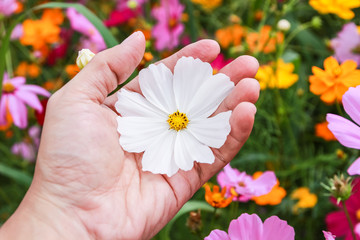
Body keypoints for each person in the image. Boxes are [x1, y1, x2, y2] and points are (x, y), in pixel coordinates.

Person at [0, 32, 260, 239]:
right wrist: (67, 212)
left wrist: (68, 220)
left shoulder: (198, 122)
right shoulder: (138, 120)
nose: (177, 120)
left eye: (177, 118)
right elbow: (135, 122)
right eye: (175, 118)